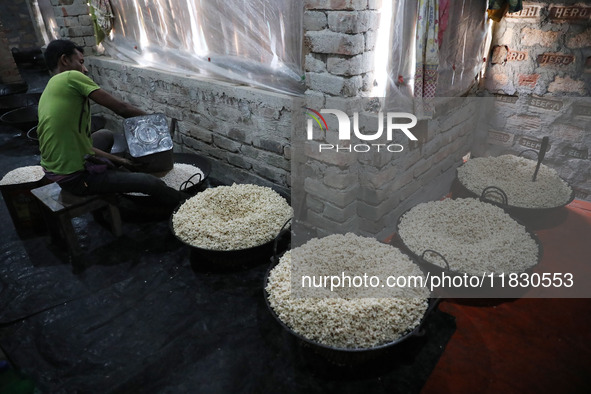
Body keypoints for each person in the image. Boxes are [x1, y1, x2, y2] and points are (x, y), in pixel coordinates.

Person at [37, 39, 185, 206]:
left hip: (57, 168)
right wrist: (157, 125)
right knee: (151, 183)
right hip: (74, 178)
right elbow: (122, 109)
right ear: (64, 60)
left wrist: (122, 161)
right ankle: (185, 205)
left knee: (105, 135)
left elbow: (83, 146)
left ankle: (115, 173)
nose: (85, 69)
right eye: (81, 62)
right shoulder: (70, 77)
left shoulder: (49, 89)